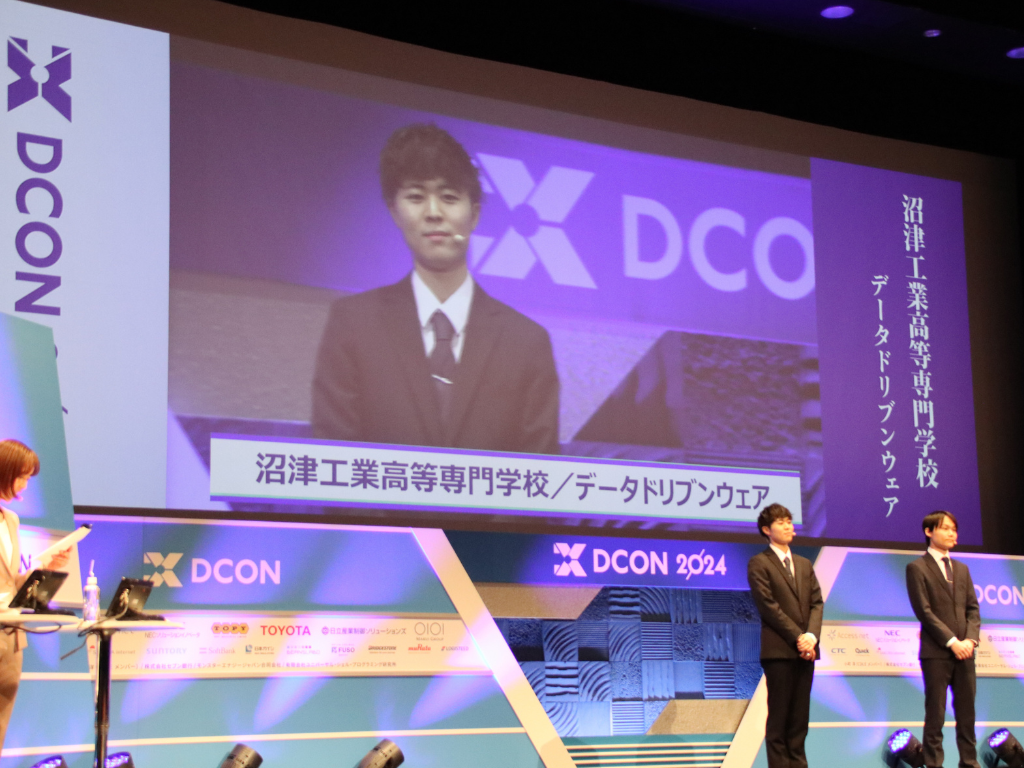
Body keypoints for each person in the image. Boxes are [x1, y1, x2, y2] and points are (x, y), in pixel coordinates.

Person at [311, 123, 560, 454]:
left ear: (474, 214)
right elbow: (331, 459)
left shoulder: (526, 342)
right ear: (395, 211)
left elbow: (539, 473)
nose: (433, 213)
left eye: (449, 197)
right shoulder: (353, 325)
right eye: (416, 197)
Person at [0, 439, 70, 753]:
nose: (25, 485)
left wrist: (44, 567)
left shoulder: (10, 520)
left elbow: (9, 583)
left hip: (11, 635)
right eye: (21, 476)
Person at [747, 503, 823, 768]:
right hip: (779, 652)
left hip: (806, 653)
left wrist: (811, 637)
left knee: (799, 722)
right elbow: (768, 606)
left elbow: (816, 603)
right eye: (781, 522)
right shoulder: (759, 563)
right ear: (767, 530)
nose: (788, 526)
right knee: (779, 722)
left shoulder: (803, 564)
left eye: (789, 521)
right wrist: (798, 637)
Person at [906, 510, 981, 768]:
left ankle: (969, 762)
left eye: (954, 529)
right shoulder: (917, 568)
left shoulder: (962, 569)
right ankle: (934, 764)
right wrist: (952, 642)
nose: (952, 533)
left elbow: (973, 609)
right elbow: (924, 611)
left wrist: (970, 641)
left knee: (967, 715)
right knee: (936, 714)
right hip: (936, 652)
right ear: (929, 532)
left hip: (966, 653)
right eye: (945, 528)